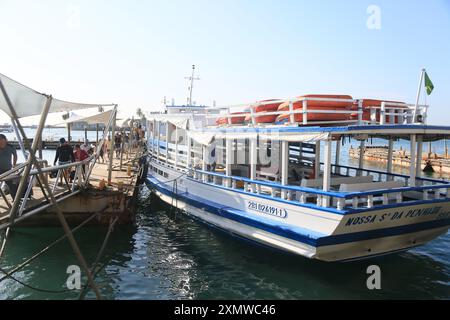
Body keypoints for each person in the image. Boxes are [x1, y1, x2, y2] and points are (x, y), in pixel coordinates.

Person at [0, 134, 18, 199]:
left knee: (11, 185)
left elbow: (15, 155)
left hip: (7, 169)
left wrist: (14, 164)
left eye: (2, 141)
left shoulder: (10, 147)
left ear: (5, 140)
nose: (1, 143)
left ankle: (15, 199)